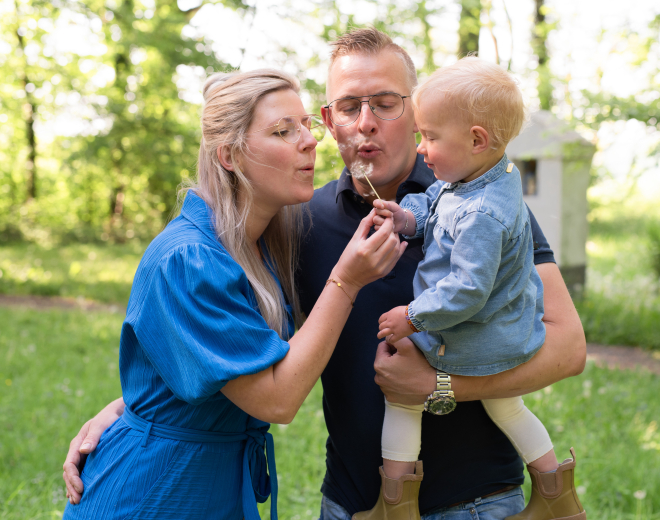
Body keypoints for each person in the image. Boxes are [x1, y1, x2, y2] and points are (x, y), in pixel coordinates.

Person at [64, 29, 587, 520]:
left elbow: (568, 348)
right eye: (349, 107)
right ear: (330, 119)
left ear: (415, 110)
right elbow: (237, 339)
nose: (366, 123)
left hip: (475, 502)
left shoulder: (478, 205)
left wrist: (439, 385)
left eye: (385, 103)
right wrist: (134, 409)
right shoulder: (297, 222)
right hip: (349, 503)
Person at [61, 68, 406, 520]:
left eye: (306, 124)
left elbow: (214, 363)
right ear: (229, 155)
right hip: (154, 494)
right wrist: (346, 280)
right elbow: (277, 399)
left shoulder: (263, 242)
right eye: (283, 130)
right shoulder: (187, 259)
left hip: (216, 487)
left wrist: (131, 403)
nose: (308, 141)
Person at [355, 56, 585, 520]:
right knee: (508, 408)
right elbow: (436, 207)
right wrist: (407, 217)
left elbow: (466, 289)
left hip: (471, 333)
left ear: (477, 139)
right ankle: (558, 498)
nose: (422, 148)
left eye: (431, 137)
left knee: (402, 399)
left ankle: (395, 509)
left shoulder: (483, 214)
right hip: (500, 334)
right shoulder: (479, 176)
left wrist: (413, 317)